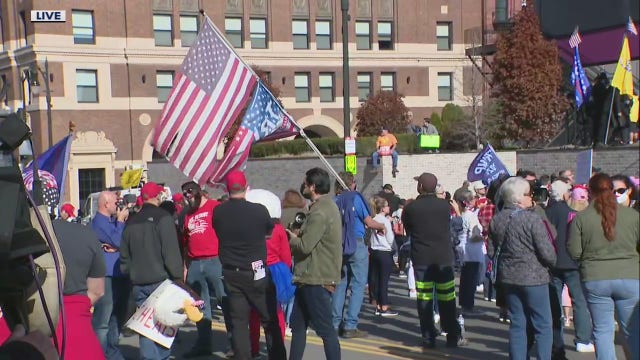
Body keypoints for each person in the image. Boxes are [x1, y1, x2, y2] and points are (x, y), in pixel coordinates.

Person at [213, 171, 287, 360]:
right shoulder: (259, 210)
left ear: (228, 190)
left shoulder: (219, 211)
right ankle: (277, 356)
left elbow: (218, 231)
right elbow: (268, 233)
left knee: (239, 323)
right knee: (269, 318)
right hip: (256, 270)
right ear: (246, 188)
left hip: (232, 272)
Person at [568, 173, 639, 360]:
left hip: (595, 277)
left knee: (602, 331)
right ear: (612, 190)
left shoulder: (581, 218)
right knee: (632, 330)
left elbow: (574, 251)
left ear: (590, 192)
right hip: (630, 276)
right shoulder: (632, 215)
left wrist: (586, 261)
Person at [490, 177, 557, 360]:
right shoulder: (532, 219)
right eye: (529, 194)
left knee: (517, 322)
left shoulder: (497, 219)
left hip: (509, 277)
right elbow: (547, 252)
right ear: (519, 198)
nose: (532, 198)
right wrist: (553, 265)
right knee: (543, 324)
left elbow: (491, 249)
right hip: (534, 278)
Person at [120, 182, 184, 360]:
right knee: (164, 324)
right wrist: (178, 277)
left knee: (146, 327)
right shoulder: (163, 218)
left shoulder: (131, 222)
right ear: (157, 197)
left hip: (138, 282)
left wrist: (129, 273)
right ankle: (161, 357)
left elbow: (124, 256)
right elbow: (170, 252)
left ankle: (149, 358)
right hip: (162, 281)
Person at [402, 172, 466, 349]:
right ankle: (452, 335)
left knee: (425, 300)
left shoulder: (411, 208)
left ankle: (429, 336)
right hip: (444, 259)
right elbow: (452, 227)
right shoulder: (444, 206)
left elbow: (408, 229)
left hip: (422, 259)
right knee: (447, 299)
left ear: (420, 187)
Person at [286, 167, 342, 360]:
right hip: (307, 277)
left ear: (312, 186)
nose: (303, 185)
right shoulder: (323, 207)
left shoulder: (320, 212)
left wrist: (291, 237)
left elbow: (305, 246)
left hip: (315, 277)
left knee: (326, 330)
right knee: (298, 327)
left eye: (305, 183)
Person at [180, 181, 232, 358]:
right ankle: (203, 344)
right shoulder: (187, 214)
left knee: (225, 300)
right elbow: (186, 244)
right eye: (185, 194)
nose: (188, 197)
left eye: (190, 192)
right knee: (200, 305)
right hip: (195, 262)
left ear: (199, 191)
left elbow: (226, 232)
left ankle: (234, 343)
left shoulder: (214, 207)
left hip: (215, 260)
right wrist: (185, 267)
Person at [332, 171, 385, 338]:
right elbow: (369, 222)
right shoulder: (356, 198)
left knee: (340, 285)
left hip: (339, 245)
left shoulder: (334, 201)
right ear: (352, 183)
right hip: (356, 243)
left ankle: (334, 322)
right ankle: (350, 324)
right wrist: (382, 227)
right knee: (358, 285)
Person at [545, 181, 594, 354]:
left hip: (554, 261)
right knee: (579, 302)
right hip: (575, 263)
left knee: (554, 303)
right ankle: (582, 339)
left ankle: (556, 340)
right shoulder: (585, 214)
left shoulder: (552, 211)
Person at [245, 189, 293, 359]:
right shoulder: (279, 229)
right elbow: (286, 256)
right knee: (276, 312)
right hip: (275, 270)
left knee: (253, 313)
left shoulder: (249, 229)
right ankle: (277, 347)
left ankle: (254, 348)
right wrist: (285, 271)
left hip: (255, 269)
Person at [52, 219, 106, 360]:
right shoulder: (86, 234)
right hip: (78, 328)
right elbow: (97, 291)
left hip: (25, 323)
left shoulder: (16, 233)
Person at [91, 191, 129, 360]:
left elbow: (123, 243)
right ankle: (98, 354)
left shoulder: (113, 222)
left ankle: (112, 352)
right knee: (103, 320)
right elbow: (119, 241)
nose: (118, 205)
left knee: (117, 317)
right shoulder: (98, 222)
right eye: (115, 202)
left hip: (120, 274)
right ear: (105, 203)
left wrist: (118, 243)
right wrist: (120, 222)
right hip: (105, 276)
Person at [454, 190, 484, 315]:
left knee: (465, 279)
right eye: (471, 199)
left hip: (463, 250)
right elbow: (474, 234)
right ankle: (468, 306)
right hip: (472, 251)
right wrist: (484, 236)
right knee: (470, 280)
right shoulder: (470, 216)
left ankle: (464, 304)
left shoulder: (460, 216)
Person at [368, 196, 398, 317]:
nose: (388, 207)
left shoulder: (372, 219)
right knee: (384, 281)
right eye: (386, 206)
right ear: (382, 208)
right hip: (385, 251)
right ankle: (384, 306)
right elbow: (390, 238)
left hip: (374, 251)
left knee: (375, 279)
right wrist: (393, 248)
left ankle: (378, 304)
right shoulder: (385, 221)